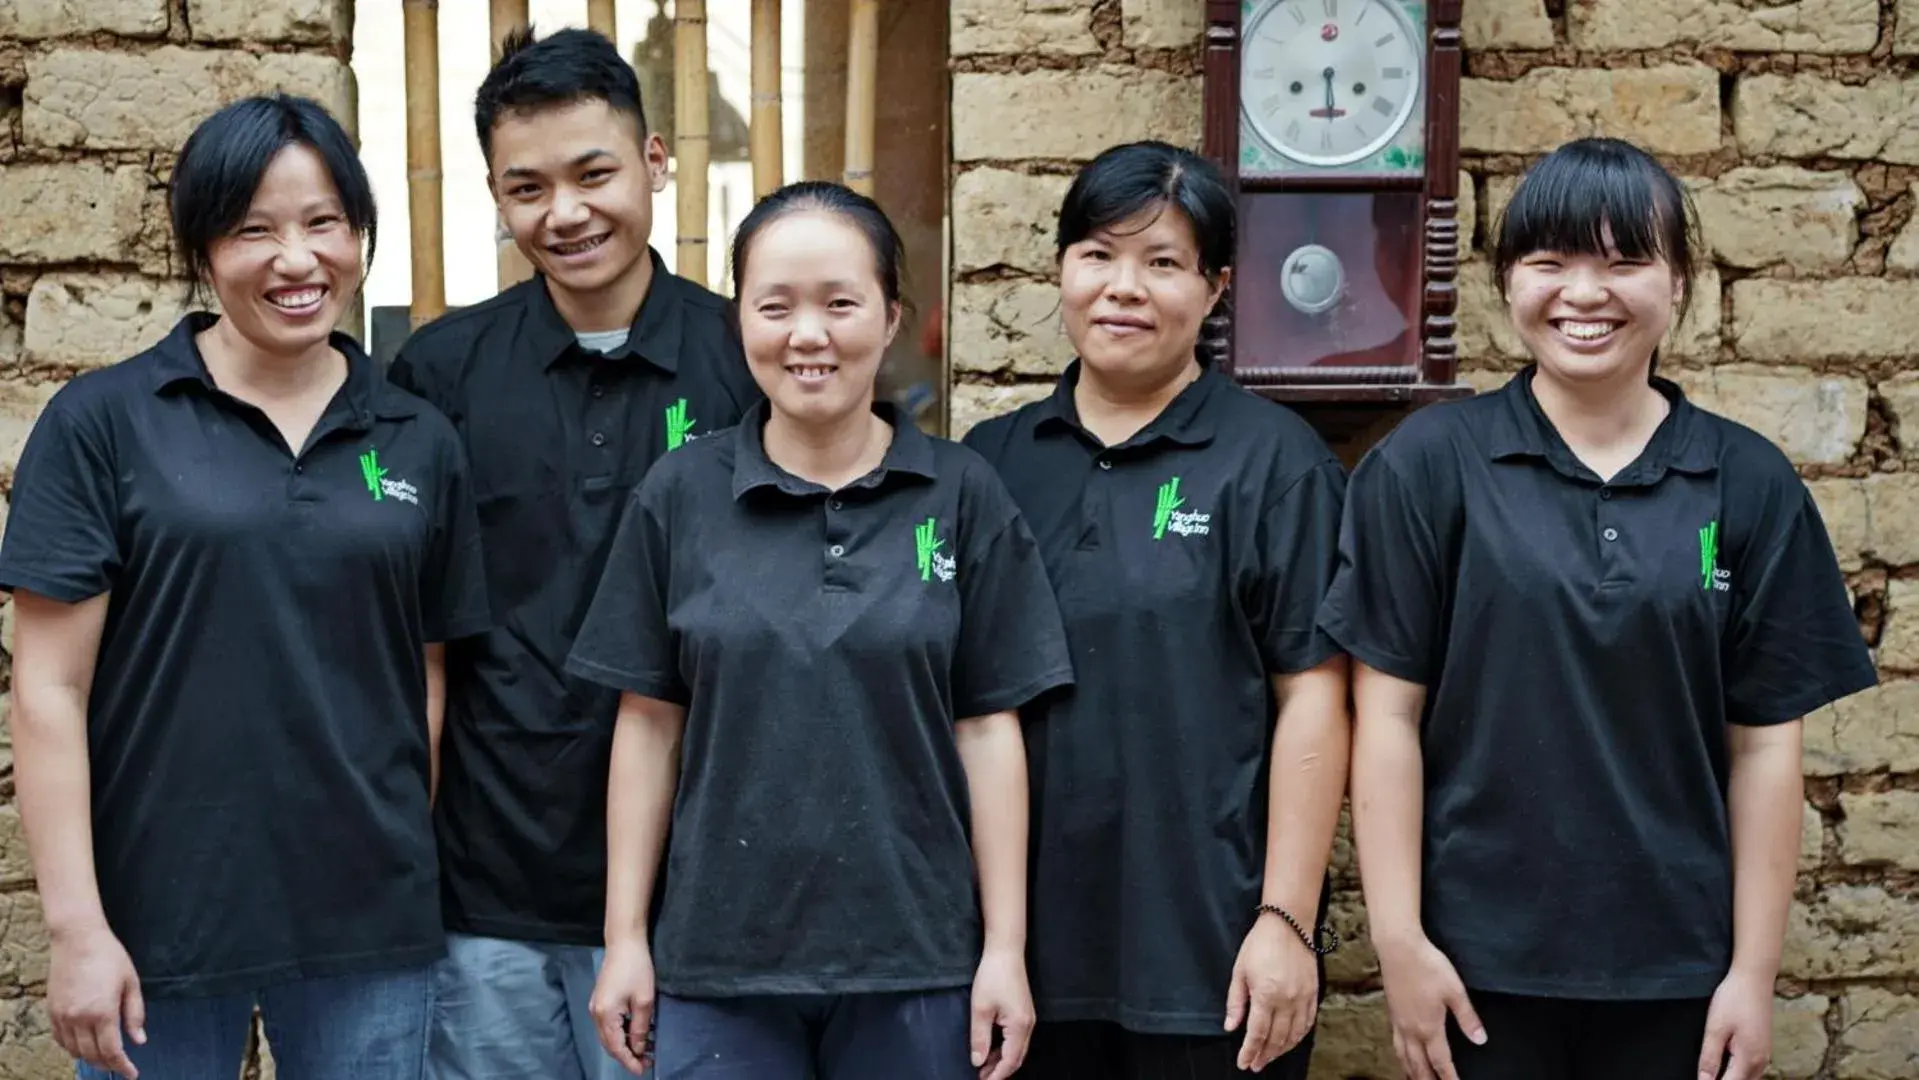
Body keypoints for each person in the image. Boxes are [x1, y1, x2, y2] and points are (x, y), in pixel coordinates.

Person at [1320, 137, 1878, 1080]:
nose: (1585, 293)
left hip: (1680, 975)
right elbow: (1385, 719)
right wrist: (1400, 942)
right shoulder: (1427, 468)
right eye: (1550, 262)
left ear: (1677, 285)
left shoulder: (1744, 480)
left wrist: (1752, 970)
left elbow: (1764, 747)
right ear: (1506, 283)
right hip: (1477, 968)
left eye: (1624, 262)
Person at [0, 94, 489, 1079]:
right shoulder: (105, 425)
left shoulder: (418, 442)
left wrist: (392, 853)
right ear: (202, 249)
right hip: (157, 922)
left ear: (359, 234)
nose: (297, 260)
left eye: (323, 224)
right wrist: (78, 930)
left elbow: (426, 674)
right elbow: (48, 690)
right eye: (252, 229)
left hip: (369, 926)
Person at [567, 181, 1073, 1080]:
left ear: (889, 319)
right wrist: (625, 939)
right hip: (718, 964)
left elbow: (989, 728)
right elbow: (647, 725)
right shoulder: (680, 497)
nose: (809, 335)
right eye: (776, 306)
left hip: (917, 965)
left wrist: (1004, 948)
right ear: (740, 324)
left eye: (840, 303)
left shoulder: (961, 496)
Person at [385, 27, 761, 1080]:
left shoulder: (746, 358)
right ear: (497, 200)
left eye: (594, 172)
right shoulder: (440, 371)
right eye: (528, 187)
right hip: (488, 887)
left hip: (695, 893)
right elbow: (410, 635)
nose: (565, 212)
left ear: (654, 163)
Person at [961, 140, 1351, 1079]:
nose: (1122, 287)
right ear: (1059, 268)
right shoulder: (990, 463)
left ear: (1215, 288)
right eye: (1097, 253)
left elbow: (1314, 696)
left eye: (1163, 262)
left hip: (1212, 961)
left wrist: (1285, 922)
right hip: (1020, 963)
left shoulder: (1274, 462)